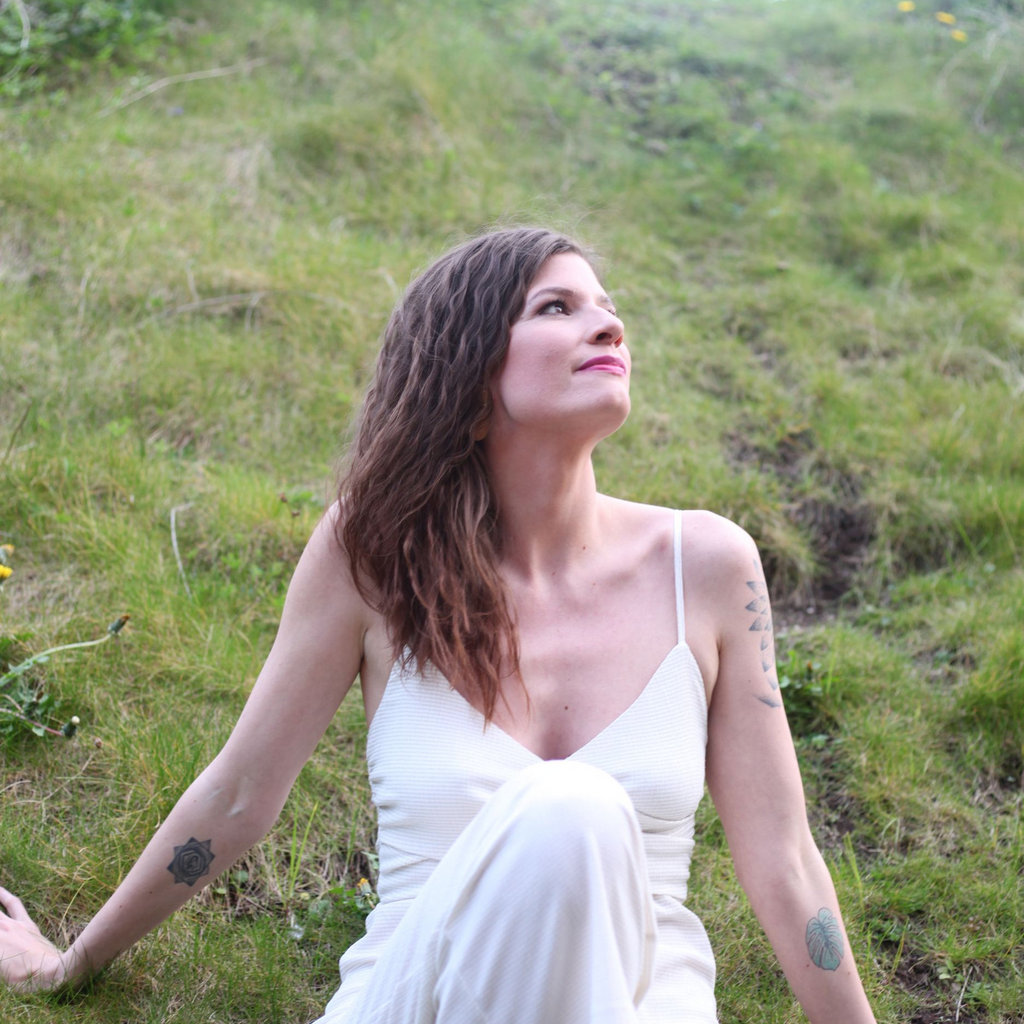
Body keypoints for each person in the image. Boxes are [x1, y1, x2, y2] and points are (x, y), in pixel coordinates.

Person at [0, 227, 877, 1023]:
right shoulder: (374, 555)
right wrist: (68, 965)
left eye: (608, 308)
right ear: (470, 366)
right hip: (418, 998)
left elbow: (784, 861)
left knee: (575, 810)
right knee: (567, 806)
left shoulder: (708, 567)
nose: (609, 327)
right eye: (557, 308)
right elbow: (238, 794)